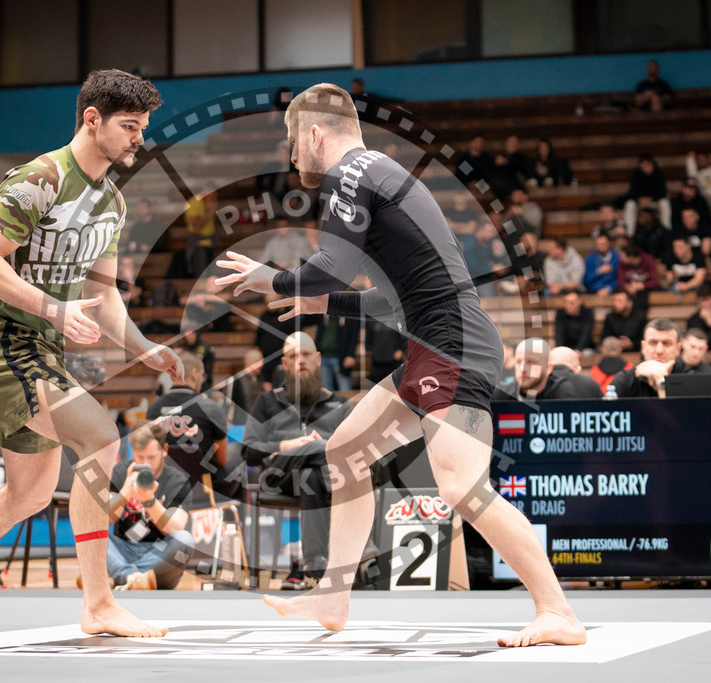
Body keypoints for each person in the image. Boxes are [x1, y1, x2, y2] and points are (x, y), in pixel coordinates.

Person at [216, 83, 585, 646]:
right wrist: (321, 300)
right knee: (345, 449)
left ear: (315, 133)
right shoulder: (382, 175)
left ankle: (557, 611)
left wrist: (279, 279)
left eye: (293, 141)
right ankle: (335, 598)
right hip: (434, 340)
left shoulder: (350, 174)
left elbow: (330, 266)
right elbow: (389, 299)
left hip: (452, 343)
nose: (291, 156)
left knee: (461, 483)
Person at [0, 69, 183, 637]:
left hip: (46, 346)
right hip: (8, 342)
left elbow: (102, 292)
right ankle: (98, 603)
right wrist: (52, 309)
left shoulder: (112, 203)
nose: (138, 138)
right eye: (129, 126)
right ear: (91, 119)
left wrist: (142, 345)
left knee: (27, 495)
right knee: (100, 436)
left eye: (143, 127)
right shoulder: (39, 179)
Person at [242, 332, 355, 585]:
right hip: (278, 475)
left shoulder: (339, 404)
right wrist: (288, 445)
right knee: (328, 452)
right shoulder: (267, 401)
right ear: (284, 363)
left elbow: (355, 449)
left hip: (321, 481)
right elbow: (248, 451)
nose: (300, 360)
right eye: (293, 356)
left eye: (305, 354)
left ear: (317, 359)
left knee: (311, 475)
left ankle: (315, 569)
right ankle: (361, 553)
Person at [102, 419, 194, 591]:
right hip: (124, 548)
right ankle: (133, 578)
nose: (145, 463)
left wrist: (150, 501)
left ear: (164, 450)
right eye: (139, 457)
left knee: (185, 540)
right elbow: (104, 519)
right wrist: (125, 493)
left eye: (151, 457)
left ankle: (120, 576)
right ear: (133, 453)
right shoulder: (122, 471)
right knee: (89, 529)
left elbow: (175, 528)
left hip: (159, 556)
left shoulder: (178, 481)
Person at [147, 350, 239, 500]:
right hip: (204, 489)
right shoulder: (211, 408)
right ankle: (234, 519)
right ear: (194, 374)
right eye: (202, 375)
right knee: (236, 455)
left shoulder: (153, 410)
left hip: (166, 488)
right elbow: (222, 459)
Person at [611, 318, 692, 398]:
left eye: (666, 343)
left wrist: (661, 382)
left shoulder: (691, 380)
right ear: (643, 347)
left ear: (678, 349)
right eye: (653, 342)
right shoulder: (624, 380)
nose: (659, 350)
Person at [492, 338, 577, 401]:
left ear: (548, 368)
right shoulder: (501, 394)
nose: (522, 369)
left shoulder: (561, 390)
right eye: (518, 362)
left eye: (530, 362)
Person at [623, 154, 671, 233]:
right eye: (644, 164)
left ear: (653, 165)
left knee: (664, 203)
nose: (647, 167)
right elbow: (632, 192)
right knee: (629, 204)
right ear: (640, 165)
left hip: (654, 201)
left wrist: (651, 199)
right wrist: (639, 199)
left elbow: (663, 192)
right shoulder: (636, 175)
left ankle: (666, 230)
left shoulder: (659, 174)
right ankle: (629, 233)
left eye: (648, 164)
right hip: (640, 202)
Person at [316, 313, 359, 392]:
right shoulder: (323, 315)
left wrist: (350, 355)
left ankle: (347, 404)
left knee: (344, 387)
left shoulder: (348, 315)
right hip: (323, 356)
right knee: (326, 390)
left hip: (340, 357)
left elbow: (354, 337)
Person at [184, 187, 219, 277]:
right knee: (201, 269)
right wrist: (209, 212)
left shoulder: (213, 202)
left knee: (214, 270)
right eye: (211, 194)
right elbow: (197, 226)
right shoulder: (193, 203)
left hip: (211, 240)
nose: (214, 196)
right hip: (197, 240)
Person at [229, 347, 269, 425]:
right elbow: (227, 404)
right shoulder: (236, 380)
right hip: (240, 426)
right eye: (257, 361)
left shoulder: (261, 379)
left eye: (262, 361)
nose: (261, 364)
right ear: (247, 362)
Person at [617, 244, 660, 311]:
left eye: (623, 256)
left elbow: (655, 282)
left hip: (645, 290)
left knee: (641, 296)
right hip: (630, 289)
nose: (621, 258)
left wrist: (642, 286)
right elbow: (621, 281)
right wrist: (628, 287)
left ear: (631, 258)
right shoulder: (621, 263)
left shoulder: (648, 260)